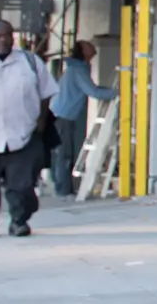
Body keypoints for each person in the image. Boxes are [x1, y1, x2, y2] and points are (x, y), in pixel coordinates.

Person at [0, 19, 58, 238]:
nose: (2, 40)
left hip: (23, 134)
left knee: (22, 186)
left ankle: (19, 221)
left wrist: (40, 122)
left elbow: (46, 93)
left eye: (6, 36)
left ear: (12, 37)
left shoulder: (29, 62)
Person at [50, 40, 117, 197]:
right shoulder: (78, 70)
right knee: (64, 154)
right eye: (89, 46)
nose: (93, 48)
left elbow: (93, 89)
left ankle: (61, 187)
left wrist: (108, 91)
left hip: (61, 114)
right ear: (83, 52)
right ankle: (63, 191)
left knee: (61, 153)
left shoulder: (76, 69)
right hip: (63, 116)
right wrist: (117, 93)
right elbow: (93, 92)